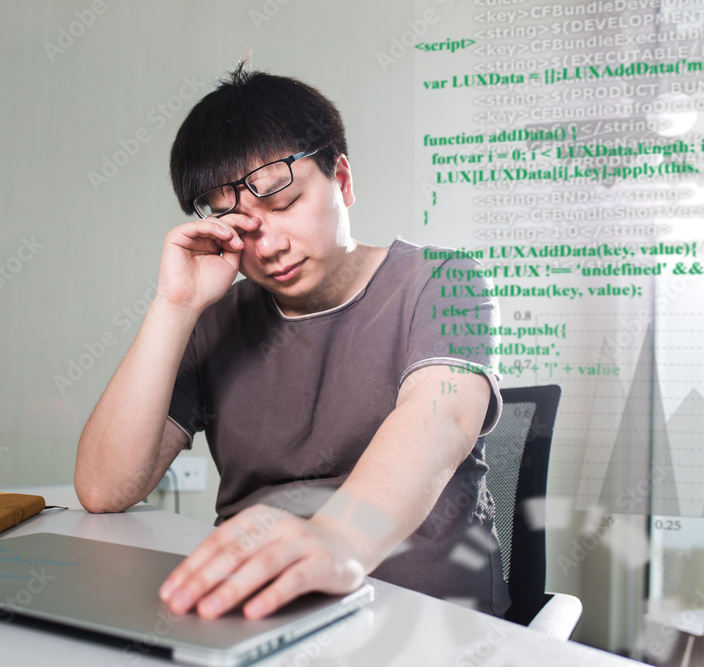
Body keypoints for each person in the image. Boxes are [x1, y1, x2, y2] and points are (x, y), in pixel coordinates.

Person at [74, 61, 510, 620]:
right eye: (243, 227)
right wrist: (174, 306)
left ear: (343, 181)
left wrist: (339, 540)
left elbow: (440, 419)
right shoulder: (214, 319)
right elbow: (104, 488)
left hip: (424, 616)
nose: (270, 244)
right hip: (259, 612)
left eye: (285, 205)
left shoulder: (445, 281)